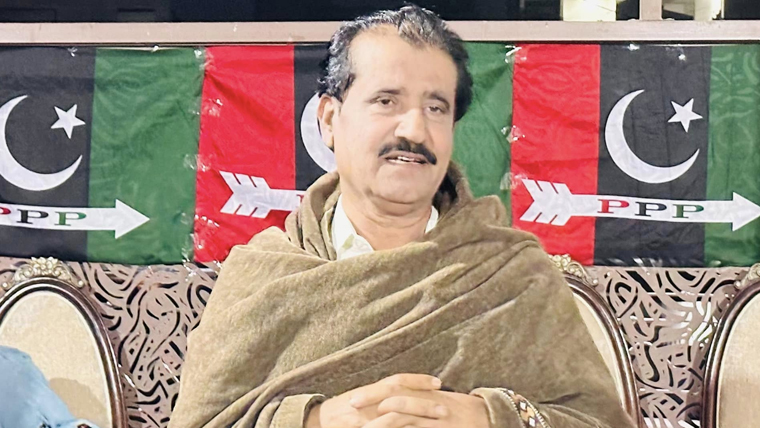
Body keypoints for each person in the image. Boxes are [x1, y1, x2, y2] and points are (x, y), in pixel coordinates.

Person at [170, 5, 636, 428]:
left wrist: (492, 418)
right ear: (329, 120)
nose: (414, 129)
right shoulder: (261, 277)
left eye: (435, 108)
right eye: (386, 101)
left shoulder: (512, 274)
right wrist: (313, 421)